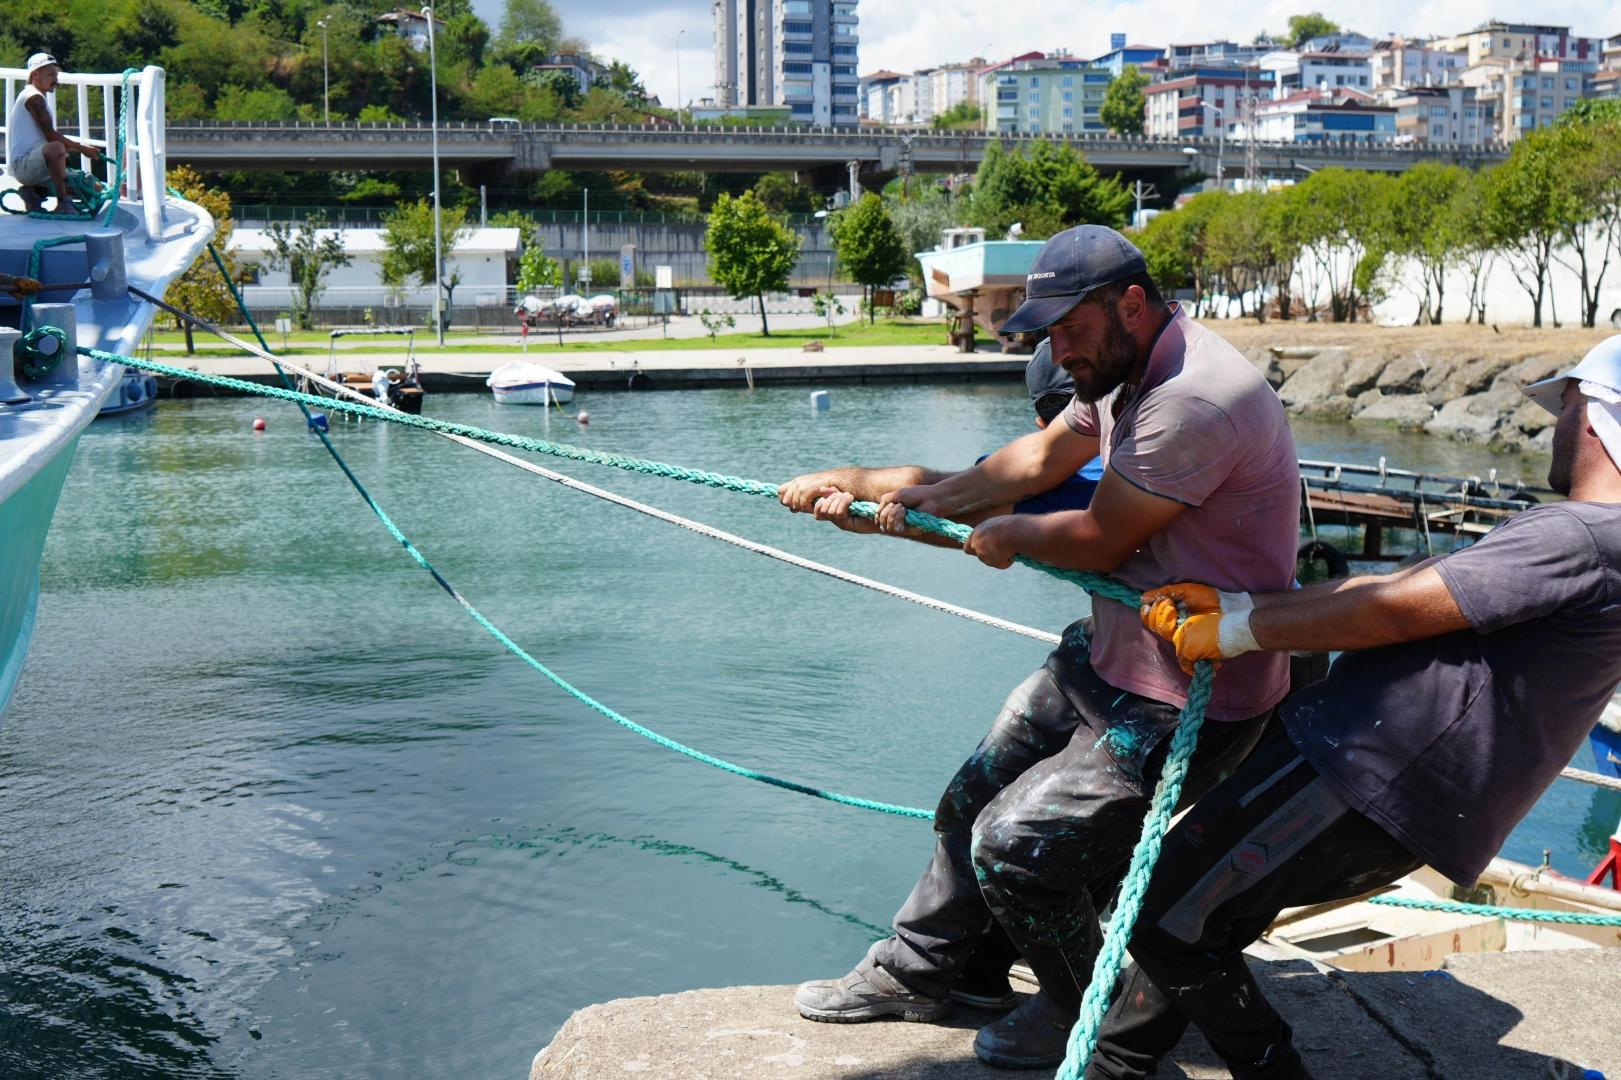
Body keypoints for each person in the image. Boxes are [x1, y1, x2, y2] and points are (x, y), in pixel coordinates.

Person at [784, 225, 1302, 1069]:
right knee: (968, 801)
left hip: (1189, 694)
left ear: (1130, 304)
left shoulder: (1192, 398)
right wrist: (930, 504)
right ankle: (922, 972)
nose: (1057, 350)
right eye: (1048, 332)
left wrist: (1004, 531)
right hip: (1111, 657)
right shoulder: (1120, 368)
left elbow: (1101, 538)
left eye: (1068, 328)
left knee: (1015, 848)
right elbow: (1030, 458)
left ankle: (1081, 1011)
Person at [1080, 338, 1621, 1080]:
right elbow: (1412, 592)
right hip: (1396, 786)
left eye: (1561, 405)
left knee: (1159, 913)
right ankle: (1117, 1061)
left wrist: (1238, 628)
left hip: (1364, 773)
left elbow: (1398, 610)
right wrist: (1246, 602)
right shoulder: (1596, 543)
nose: (1552, 424)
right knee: (1210, 912)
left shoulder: (1580, 536)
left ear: (1591, 416)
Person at [5, 53, 104, 213]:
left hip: (39, 165)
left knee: (95, 188)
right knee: (56, 146)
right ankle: (63, 203)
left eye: (56, 75)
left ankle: (34, 193)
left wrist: (78, 148)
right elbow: (51, 136)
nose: (56, 80)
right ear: (35, 74)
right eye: (51, 75)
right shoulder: (33, 97)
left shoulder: (39, 97)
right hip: (24, 166)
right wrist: (83, 149)